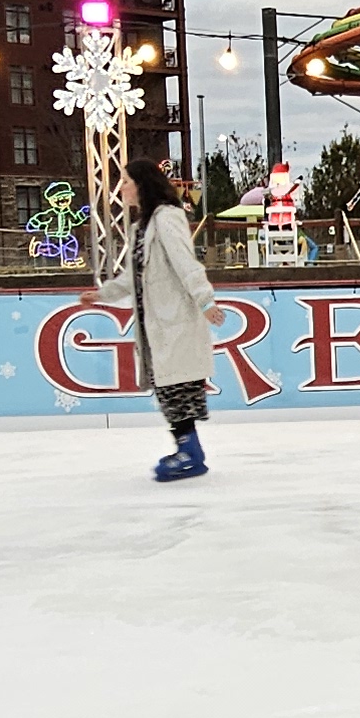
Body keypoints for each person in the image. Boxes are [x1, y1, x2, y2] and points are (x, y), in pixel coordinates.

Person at [88, 156, 221, 481]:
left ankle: (189, 452)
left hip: (174, 321)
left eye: (127, 182)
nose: (122, 188)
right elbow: (131, 277)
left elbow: (185, 262)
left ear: (142, 185)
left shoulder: (167, 219)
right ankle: (188, 449)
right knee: (168, 391)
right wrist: (102, 294)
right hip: (155, 326)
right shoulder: (141, 228)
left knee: (176, 390)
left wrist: (205, 301)